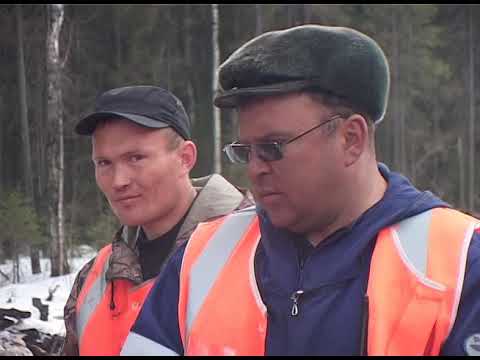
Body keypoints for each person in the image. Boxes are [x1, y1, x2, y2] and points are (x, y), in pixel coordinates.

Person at [121, 26, 480, 356]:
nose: (255, 167)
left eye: (274, 147)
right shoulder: (203, 256)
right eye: (246, 151)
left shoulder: (460, 262)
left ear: (350, 138)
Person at [61, 85, 252, 356]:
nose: (118, 181)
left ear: (185, 158)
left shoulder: (262, 251)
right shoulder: (96, 278)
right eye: (104, 163)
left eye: (136, 158)